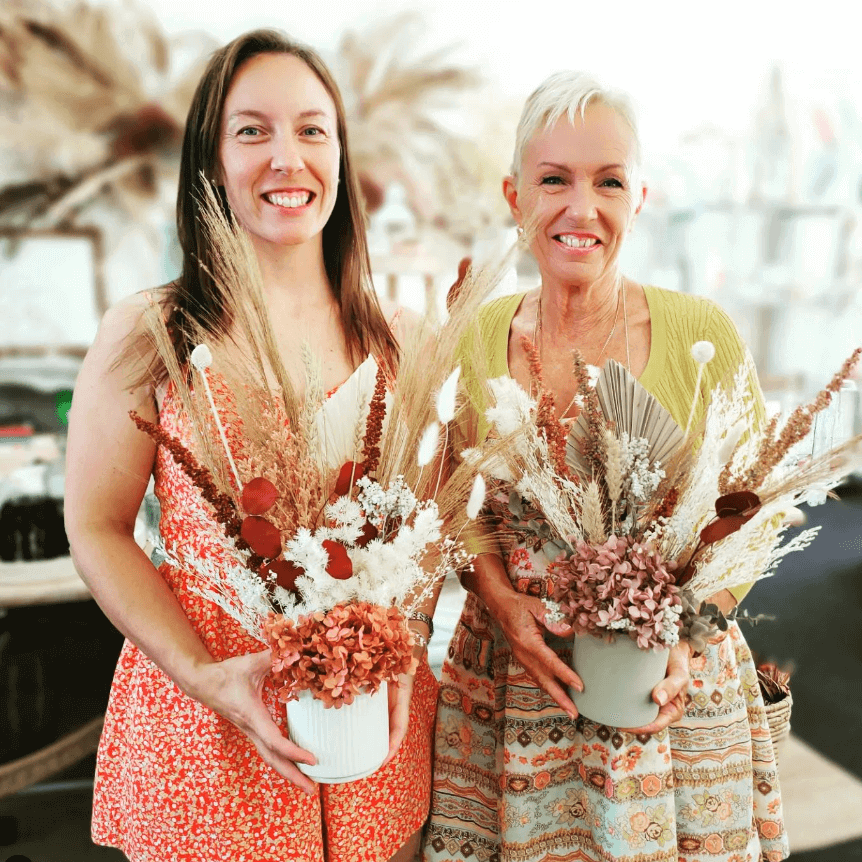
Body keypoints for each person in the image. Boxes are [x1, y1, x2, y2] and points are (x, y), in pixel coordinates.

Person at [65, 29, 437, 862]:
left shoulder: (403, 343)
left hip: (369, 740)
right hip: (203, 736)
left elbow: (426, 542)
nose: (287, 157)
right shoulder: (150, 331)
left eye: (312, 129)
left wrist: (404, 650)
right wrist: (205, 679)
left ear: (340, 156)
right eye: (252, 130)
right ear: (211, 158)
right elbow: (95, 526)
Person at [423, 72, 789, 862]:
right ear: (514, 196)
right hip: (513, 686)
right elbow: (455, 502)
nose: (580, 207)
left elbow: (760, 515)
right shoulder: (475, 334)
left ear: (640, 198)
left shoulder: (704, 335)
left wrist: (689, 643)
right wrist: (498, 601)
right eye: (553, 179)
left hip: (669, 701)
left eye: (608, 182)